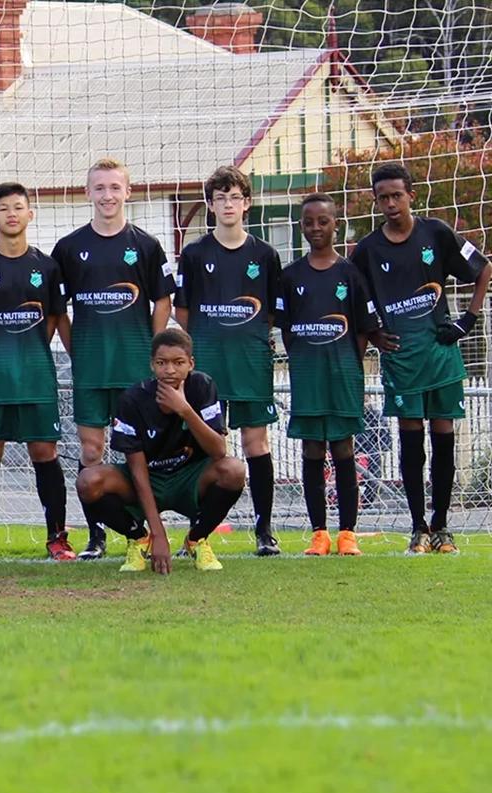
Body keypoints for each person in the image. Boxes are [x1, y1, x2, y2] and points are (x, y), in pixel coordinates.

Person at [350, 162, 492, 554]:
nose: (391, 203)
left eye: (397, 195)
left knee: (443, 437)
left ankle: (443, 526)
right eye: (383, 198)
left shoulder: (437, 233)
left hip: (440, 353)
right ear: (376, 201)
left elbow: (484, 269)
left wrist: (467, 319)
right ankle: (418, 528)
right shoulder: (366, 250)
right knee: (411, 443)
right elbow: (354, 300)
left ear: (411, 194)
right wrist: (375, 333)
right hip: (401, 359)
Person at [51, 158, 175, 559]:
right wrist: (77, 351)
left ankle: (141, 530)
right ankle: (97, 534)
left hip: (134, 369)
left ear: (128, 191)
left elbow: (162, 300)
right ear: (87, 193)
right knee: (91, 453)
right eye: (99, 188)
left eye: (114, 187)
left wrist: (153, 352)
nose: (107, 195)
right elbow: (58, 309)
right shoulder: (69, 248)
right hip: (91, 369)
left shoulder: (146, 245)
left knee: (138, 452)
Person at [0, 182, 73, 561]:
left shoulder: (48, 266)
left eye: (19, 207)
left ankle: (57, 537)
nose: (12, 214)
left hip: (37, 373)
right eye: (4, 208)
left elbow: (56, 318)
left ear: (30, 214)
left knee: (45, 450)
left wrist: (29, 350)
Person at [175, 165, 283, 556]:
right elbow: (182, 311)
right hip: (207, 365)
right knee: (204, 445)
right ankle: (197, 531)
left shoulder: (265, 255)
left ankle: (264, 529)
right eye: (220, 198)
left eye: (234, 197)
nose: (227, 205)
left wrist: (251, 337)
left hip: (251, 361)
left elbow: (272, 311)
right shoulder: (194, 253)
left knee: (256, 443)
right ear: (210, 205)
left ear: (247, 204)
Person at [77, 330, 245, 574]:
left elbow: (219, 451)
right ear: (152, 365)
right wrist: (157, 534)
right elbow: (137, 469)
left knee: (234, 470)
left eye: (178, 363)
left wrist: (185, 410)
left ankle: (196, 539)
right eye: (161, 363)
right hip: (148, 478)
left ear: (191, 364)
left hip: (190, 478)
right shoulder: (133, 398)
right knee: (88, 481)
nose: (170, 370)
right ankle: (139, 538)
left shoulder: (203, 386)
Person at [276, 194, 379, 556]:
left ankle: (347, 532)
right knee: (312, 448)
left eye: (323, 221)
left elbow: (364, 327)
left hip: (343, 372)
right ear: (301, 226)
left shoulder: (351, 274)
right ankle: (319, 532)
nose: (315, 228)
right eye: (308, 222)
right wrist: (303, 355)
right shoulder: (290, 276)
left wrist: (349, 359)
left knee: (343, 447)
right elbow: (284, 327)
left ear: (337, 224)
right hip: (308, 373)